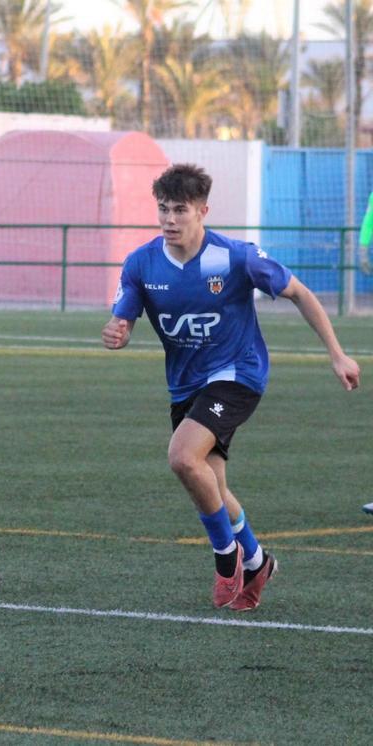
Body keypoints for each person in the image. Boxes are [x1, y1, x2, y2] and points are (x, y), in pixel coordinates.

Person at [103, 163, 360, 611]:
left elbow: (300, 292)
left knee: (183, 457)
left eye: (180, 210)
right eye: (162, 209)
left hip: (238, 374)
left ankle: (228, 558)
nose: (169, 219)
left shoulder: (236, 256)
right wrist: (118, 331)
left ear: (203, 210)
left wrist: (337, 353)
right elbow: (123, 313)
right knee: (212, 484)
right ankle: (258, 561)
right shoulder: (142, 263)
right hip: (187, 385)